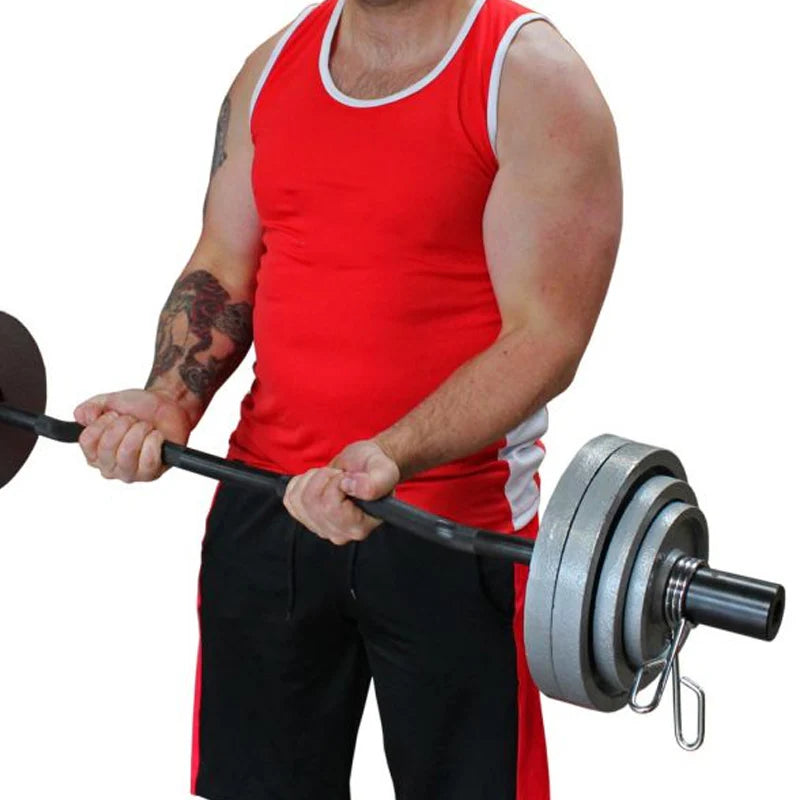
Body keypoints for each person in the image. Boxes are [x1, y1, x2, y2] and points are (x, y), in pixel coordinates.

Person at [73, 0, 621, 797]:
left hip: (450, 527)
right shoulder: (269, 71)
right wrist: (169, 400)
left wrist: (391, 454)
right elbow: (226, 261)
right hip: (267, 505)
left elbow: (547, 337)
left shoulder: (528, 80)